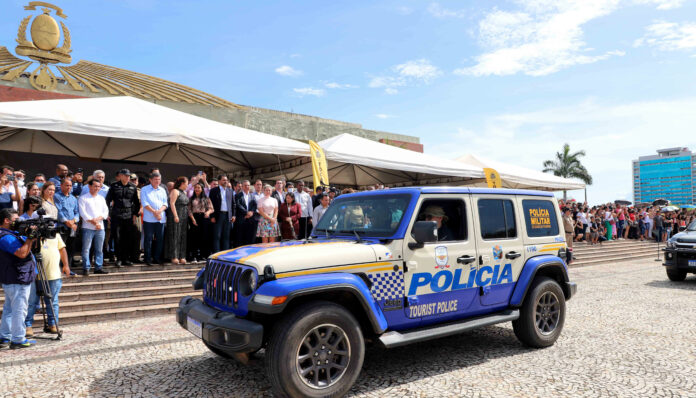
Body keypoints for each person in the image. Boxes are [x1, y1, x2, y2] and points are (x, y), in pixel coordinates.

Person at [0, 208, 38, 349]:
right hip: (17, 278)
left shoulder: (11, 234)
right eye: (16, 220)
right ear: (6, 220)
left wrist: (31, 237)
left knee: (9, 309)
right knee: (19, 309)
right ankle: (18, 339)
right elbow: (22, 253)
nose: (19, 222)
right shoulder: (6, 237)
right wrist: (29, 238)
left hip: (14, 277)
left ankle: (4, 337)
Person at [24, 224, 71, 336]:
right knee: (31, 303)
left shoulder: (54, 234)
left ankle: (53, 324)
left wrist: (66, 265)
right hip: (34, 275)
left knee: (52, 302)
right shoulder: (30, 235)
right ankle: (27, 326)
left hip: (53, 274)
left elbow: (62, 249)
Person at [105, 169, 140, 267]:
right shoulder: (114, 186)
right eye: (126, 176)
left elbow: (136, 203)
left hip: (128, 216)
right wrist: (107, 213)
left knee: (127, 238)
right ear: (121, 176)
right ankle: (119, 259)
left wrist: (134, 214)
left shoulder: (133, 187)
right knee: (117, 238)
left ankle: (126, 258)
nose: (128, 178)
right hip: (116, 215)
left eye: (129, 176)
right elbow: (107, 200)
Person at [79, 180, 109, 276]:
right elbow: (83, 213)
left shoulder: (101, 198)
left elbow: (105, 212)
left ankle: (98, 267)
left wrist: (98, 220)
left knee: (99, 249)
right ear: (89, 186)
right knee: (86, 249)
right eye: (95, 186)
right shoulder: (83, 198)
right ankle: (86, 267)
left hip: (100, 227)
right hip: (88, 227)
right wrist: (94, 221)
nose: (97, 188)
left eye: (99, 186)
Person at [140, 172, 168, 265]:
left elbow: (165, 204)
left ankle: (157, 258)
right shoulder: (144, 189)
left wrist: (159, 211)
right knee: (148, 239)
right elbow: (145, 203)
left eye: (159, 179)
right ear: (150, 180)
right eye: (155, 179)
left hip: (160, 218)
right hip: (149, 219)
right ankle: (147, 258)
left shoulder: (163, 190)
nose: (157, 181)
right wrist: (154, 212)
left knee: (160, 239)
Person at [54, 178, 79, 268]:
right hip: (62, 226)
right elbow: (58, 210)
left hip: (72, 227)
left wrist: (73, 221)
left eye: (70, 185)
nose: (69, 187)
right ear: (61, 186)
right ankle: (60, 267)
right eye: (67, 185)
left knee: (71, 248)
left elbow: (77, 212)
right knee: (61, 247)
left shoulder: (73, 198)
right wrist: (66, 221)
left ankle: (68, 267)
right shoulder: (56, 196)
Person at [208, 175, 235, 253]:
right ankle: (217, 254)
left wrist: (233, 215)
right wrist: (212, 216)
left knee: (226, 236)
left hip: (228, 216)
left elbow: (233, 204)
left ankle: (225, 254)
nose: (225, 181)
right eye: (223, 180)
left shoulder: (230, 191)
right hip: (218, 215)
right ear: (219, 181)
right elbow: (210, 204)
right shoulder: (213, 191)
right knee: (217, 236)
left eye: (226, 180)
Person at [165, 177, 189, 264]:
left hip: (184, 216)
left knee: (182, 236)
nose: (187, 185)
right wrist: (175, 215)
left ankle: (181, 256)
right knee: (175, 236)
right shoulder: (175, 191)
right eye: (187, 183)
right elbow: (172, 203)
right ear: (182, 183)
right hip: (176, 216)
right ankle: (174, 256)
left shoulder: (184, 192)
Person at [187, 183, 213, 263]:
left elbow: (211, 208)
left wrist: (208, 213)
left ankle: (203, 256)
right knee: (194, 237)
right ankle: (194, 256)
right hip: (194, 218)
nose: (197, 189)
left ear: (202, 189)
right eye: (196, 188)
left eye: (199, 188)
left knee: (204, 237)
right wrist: (193, 219)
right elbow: (189, 210)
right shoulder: (191, 199)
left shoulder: (206, 198)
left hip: (204, 218)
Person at [234, 180, 258, 247]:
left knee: (249, 239)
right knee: (240, 239)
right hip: (241, 220)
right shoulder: (238, 196)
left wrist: (251, 212)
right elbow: (238, 205)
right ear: (242, 187)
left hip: (250, 220)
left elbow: (255, 205)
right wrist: (246, 213)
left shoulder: (252, 196)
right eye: (245, 185)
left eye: (248, 185)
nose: (247, 187)